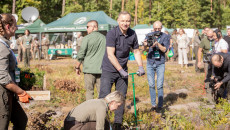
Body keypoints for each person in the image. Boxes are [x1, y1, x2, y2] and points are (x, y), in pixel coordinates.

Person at [99, 11, 145, 129]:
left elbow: (136, 51)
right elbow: (110, 54)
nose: (125, 23)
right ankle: (103, 123)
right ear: (118, 21)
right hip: (109, 70)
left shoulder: (132, 34)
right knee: (104, 96)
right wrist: (120, 69)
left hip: (123, 71)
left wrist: (140, 66)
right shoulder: (111, 34)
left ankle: (117, 124)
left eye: (128, 21)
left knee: (121, 97)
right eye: (123, 21)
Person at [0, 13, 32, 130]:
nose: (17, 27)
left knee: (21, 120)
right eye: (15, 25)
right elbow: (2, 77)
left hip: (8, 91)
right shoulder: (1, 46)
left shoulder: (5, 43)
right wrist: (21, 92)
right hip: (2, 92)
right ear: (8, 27)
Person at [142, 21, 170, 112]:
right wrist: (145, 45)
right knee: (151, 85)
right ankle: (153, 105)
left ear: (161, 28)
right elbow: (145, 50)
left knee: (159, 85)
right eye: (155, 29)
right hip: (150, 61)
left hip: (160, 62)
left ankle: (160, 105)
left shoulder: (165, 36)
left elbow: (165, 49)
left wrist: (157, 44)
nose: (157, 30)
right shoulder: (149, 35)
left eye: (159, 29)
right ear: (153, 28)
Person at [75, 20, 106, 100]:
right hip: (101, 69)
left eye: (87, 27)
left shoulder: (86, 38)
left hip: (89, 69)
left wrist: (77, 67)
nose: (87, 29)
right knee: (101, 92)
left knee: (89, 91)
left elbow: (81, 54)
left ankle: (90, 111)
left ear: (94, 27)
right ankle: (102, 110)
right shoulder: (104, 38)